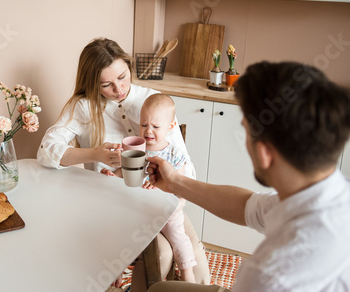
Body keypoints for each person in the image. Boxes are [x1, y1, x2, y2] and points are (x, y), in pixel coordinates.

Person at [146, 61, 350, 292]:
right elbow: (249, 206)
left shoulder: (268, 276)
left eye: (246, 132)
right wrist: (175, 182)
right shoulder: (326, 195)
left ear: (264, 153)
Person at [37, 37, 195, 178]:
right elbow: (45, 153)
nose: (119, 89)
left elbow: (186, 168)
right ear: (92, 84)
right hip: (107, 196)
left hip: (157, 198)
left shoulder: (154, 101)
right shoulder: (83, 107)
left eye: (122, 77)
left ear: (128, 66)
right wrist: (95, 154)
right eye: (106, 85)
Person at [102, 93, 197, 282]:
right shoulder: (136, 148)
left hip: (167, 210)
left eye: (155, 126)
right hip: (139, 208)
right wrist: (113, 176)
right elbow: (125, 171)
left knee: (179, 238)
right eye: (144, 125)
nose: (148, 131)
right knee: (121, 232)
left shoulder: (174, 154)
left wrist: (160, 189)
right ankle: (118, 272)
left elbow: (178, 185)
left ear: (170, 127)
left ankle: (188, 273)